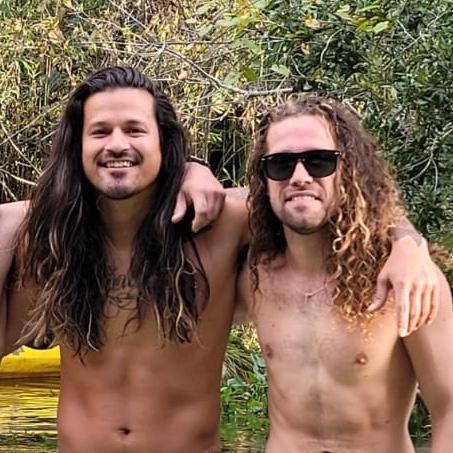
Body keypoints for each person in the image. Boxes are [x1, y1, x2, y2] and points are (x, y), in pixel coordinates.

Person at [0, 67, 440, 453]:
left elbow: (323, 200)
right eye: (100, 132)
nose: (117, 144)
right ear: (77, 145)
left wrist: (407, 243)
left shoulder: (222, 222)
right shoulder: (52, 236)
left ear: (163, 142)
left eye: (134, 130)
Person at [240, 96, 453, 453]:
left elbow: (449, 406)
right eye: (281, 164)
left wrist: (408, 241)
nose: (300, 177)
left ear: (349, 171)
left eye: (319, 161)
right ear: (264, 179)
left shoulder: (405, 279)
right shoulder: (252, 277)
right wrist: (195, 169)